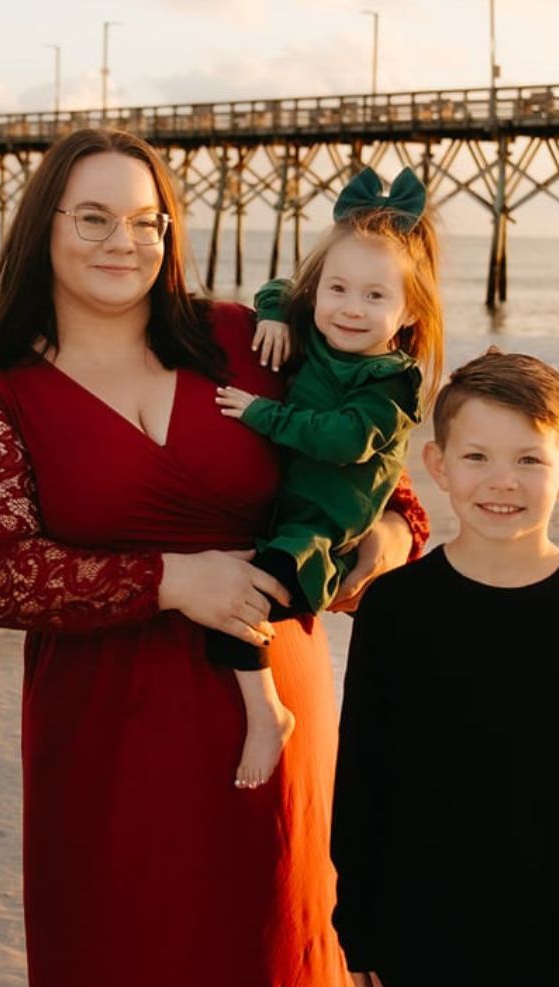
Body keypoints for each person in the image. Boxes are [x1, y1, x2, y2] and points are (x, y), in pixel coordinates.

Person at [0, 127, 429, 987]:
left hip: (279, 731)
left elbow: (387, 485)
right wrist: (173, 579)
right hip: (108, 746)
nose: (121, 241)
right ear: (42, 228)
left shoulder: (248, 342)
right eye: (92, 217)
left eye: (145, 220)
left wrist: (380, 548)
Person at [330, 349, 559, 987]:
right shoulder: (395, 610)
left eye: (529, 460)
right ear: (438, 465)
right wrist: (358, 931)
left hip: (551, 957)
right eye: (477, 455)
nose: (502, 481)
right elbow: (362, 782)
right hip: (419, 949)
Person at [209, 166, 443, 788]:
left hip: (323, 528)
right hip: (293, 512)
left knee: (240, 603)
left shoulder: (392, 381)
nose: (350, 309)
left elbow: (343, 440)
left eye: (375, 297)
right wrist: (274, 315)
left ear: (409, 310)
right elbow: (279, 286)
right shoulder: (317, 339)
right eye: (337, 290)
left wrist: (264, 413)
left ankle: (267, 714)